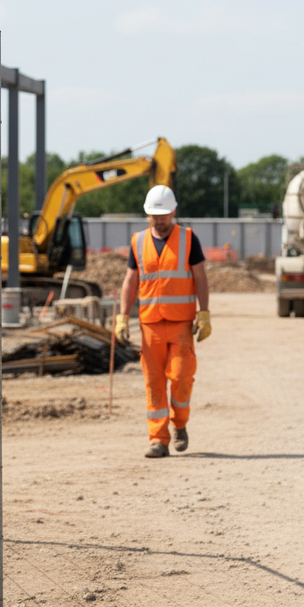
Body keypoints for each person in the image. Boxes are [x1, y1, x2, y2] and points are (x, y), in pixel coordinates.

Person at [115, 185, 211, 458]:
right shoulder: (138, 241)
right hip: (150, 325)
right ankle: (158, 439)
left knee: (181, 378)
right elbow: (130, 280)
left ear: (174, 212)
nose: (159, 220)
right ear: (148, 215)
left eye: (164, 215)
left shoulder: (189, 239)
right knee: (154, 383)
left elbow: (200, 277)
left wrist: (204, 313)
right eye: (155, 215)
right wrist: (123, 317)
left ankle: (179, 424)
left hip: (181, 324)